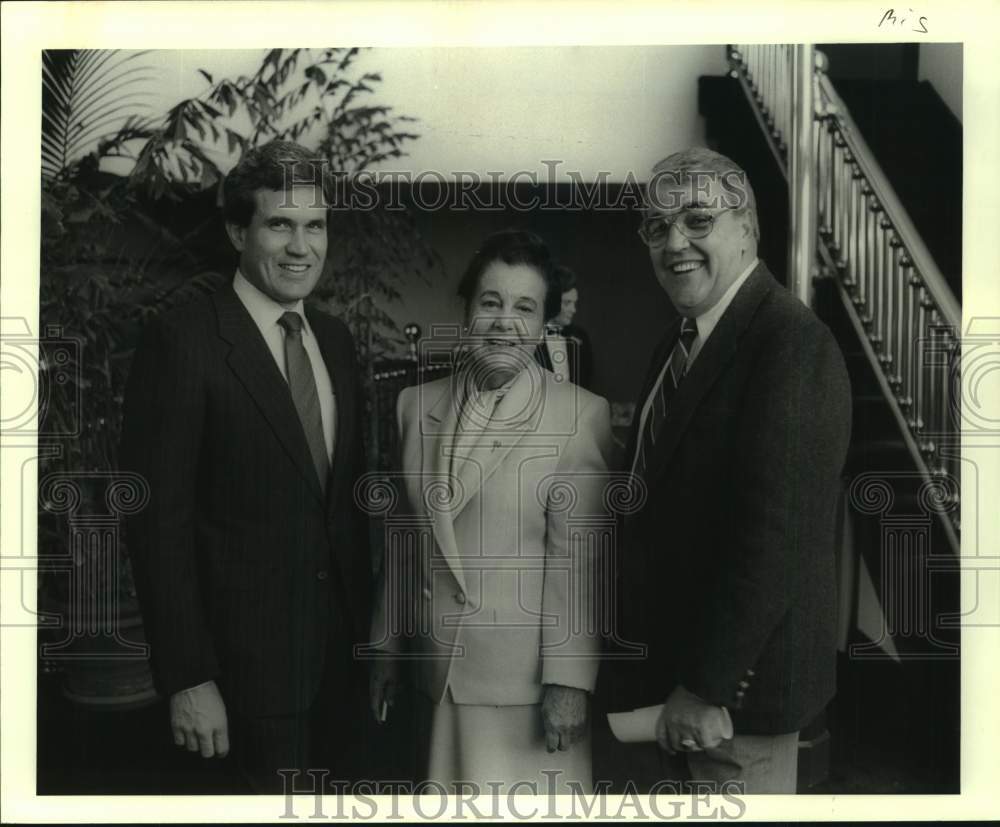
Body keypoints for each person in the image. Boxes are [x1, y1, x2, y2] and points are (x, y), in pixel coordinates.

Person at [121, 140, 371, 793]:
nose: (301, 246)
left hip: (341, 672)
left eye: (314, 225)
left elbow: (342, 509)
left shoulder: (338, 342)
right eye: (279, 224)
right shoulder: (183, 340)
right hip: (240, 683)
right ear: (238, 230)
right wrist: (187, 675)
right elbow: (156, 524)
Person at [598, 148, 851, 794]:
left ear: (749, 228)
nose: (674, 242)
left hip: (731, 710)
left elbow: (775, 543)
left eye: (697, 220)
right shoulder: (678, 342)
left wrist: (706, 685)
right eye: (656, 228)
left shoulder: (792, 345)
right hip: (670, 701)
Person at [369, 230, 613, 794]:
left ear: (544, 325)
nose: (505, 322)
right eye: (490, 302)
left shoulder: (579, 415)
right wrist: (385, 646)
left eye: (524, 308)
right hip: (436, 673)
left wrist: (569, 682)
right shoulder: (415, 405)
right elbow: (403, 538)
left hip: (525, 690)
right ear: (467, 310)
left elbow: (579, 566)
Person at [534, 265, 594, 389]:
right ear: (551, 301)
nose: (574, 310)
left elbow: (587, 386)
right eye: (567, 303)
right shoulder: (531, 335)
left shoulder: (580, 337)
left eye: (574, 303)